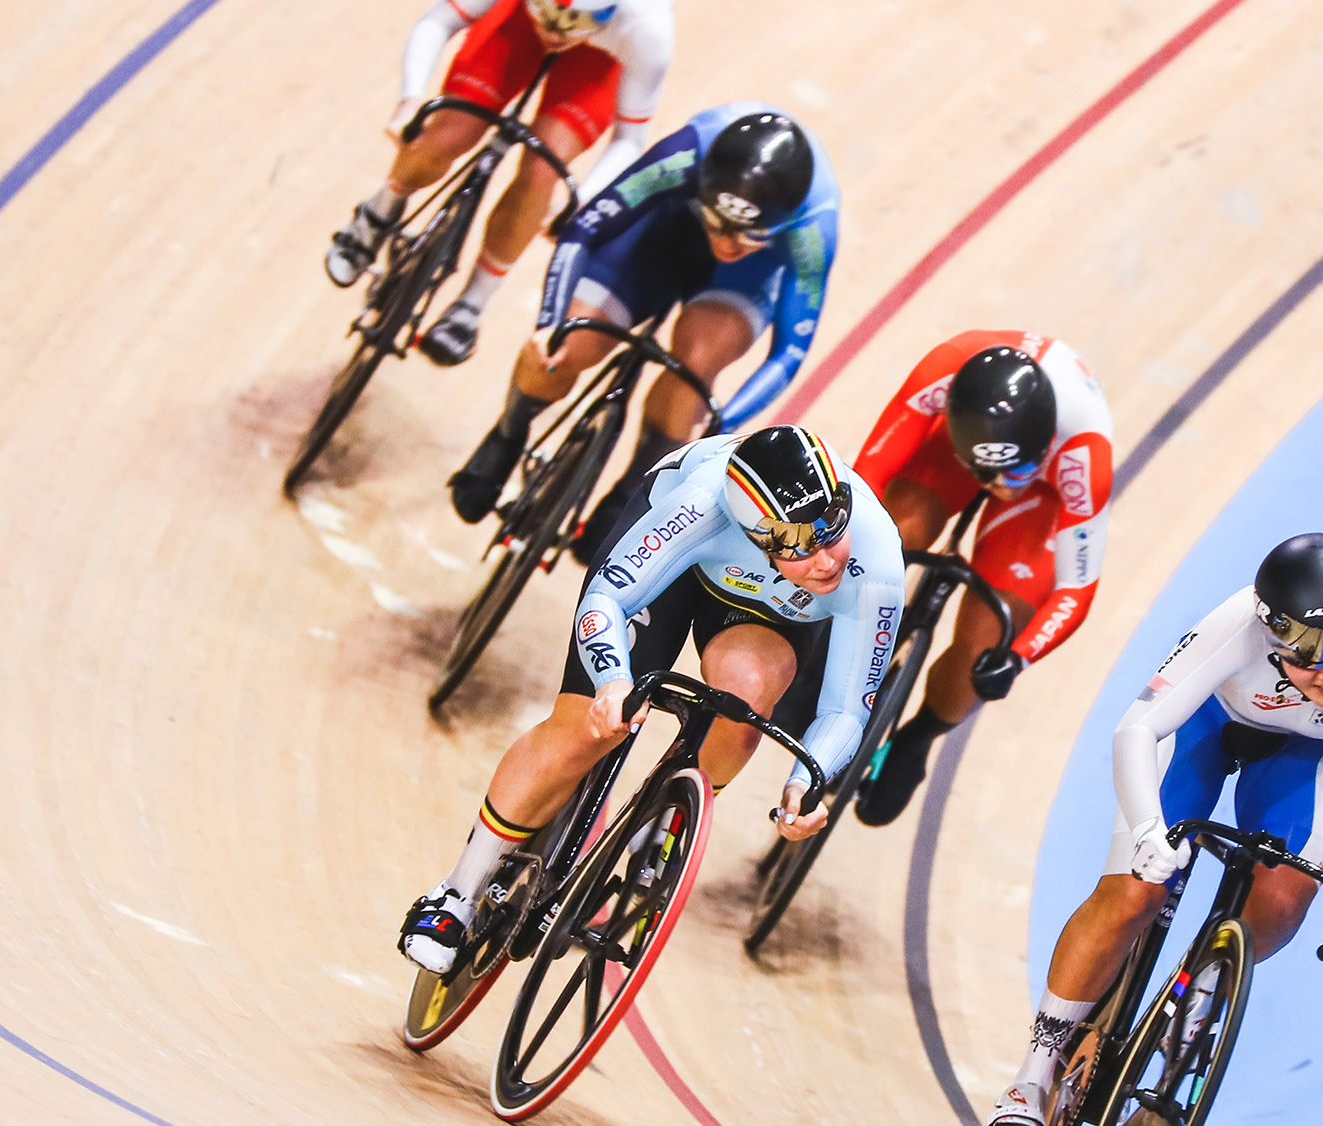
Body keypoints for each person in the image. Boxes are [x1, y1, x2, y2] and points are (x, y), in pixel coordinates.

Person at [985, 534, 1323, 1126]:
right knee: (1134, 895)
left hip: (1304, 757)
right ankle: (1034, 1072)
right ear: (1274, 632)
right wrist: (1148, 829)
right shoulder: (1236, 627)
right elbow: (1137, 729)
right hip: (1206, 726)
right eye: (1309, 654)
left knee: (1284, 896)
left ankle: (1199, 997)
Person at [400, 425, 903, 972]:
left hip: (762, 610)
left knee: (745, 707)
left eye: (831, 529)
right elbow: (607, 601)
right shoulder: (702, 504)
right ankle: (456, 893)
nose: (824, 559)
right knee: (583, 729)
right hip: (673, 566)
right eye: (794, 545)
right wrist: (614, 680)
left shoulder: (875, 561)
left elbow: (847, 708)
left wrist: (806, 781)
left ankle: (656, 829)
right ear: (756, 532)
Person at [442, 103, 840, 557]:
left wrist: (721, 423)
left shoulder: (813, 228)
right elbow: (583, 231)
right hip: (661, 231)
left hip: (743, 281)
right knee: (566, 345)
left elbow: (788, 353)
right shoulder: (688, 152)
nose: (728, 244)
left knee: (695, 368)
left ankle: (635, 483)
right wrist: (550, 322)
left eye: (747, 236)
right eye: (719, 224)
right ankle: (508, 433)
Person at [847, 332, 1112, 826]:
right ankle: (847, 633)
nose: (998, 490)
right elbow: (866, 479)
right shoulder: (944, 371)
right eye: (989, 476)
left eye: (1013, 474)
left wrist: (1016, 658)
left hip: (1046, 492)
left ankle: (918, 734)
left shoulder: (1083, 454)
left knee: (991, 634)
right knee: (893, 530)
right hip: (956, 446)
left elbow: (1076, 587)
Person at [323, 0, 673, 366]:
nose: (554, 32)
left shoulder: (647, 25)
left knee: (544, 169)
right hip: (513, 21)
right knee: (451, 132)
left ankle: (472, 303)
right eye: (547, 10)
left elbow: (630, 139)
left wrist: (581, 200)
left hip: (598, 59)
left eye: (575, 21)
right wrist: (410, 101)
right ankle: (378, 212)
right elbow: (439, 20)